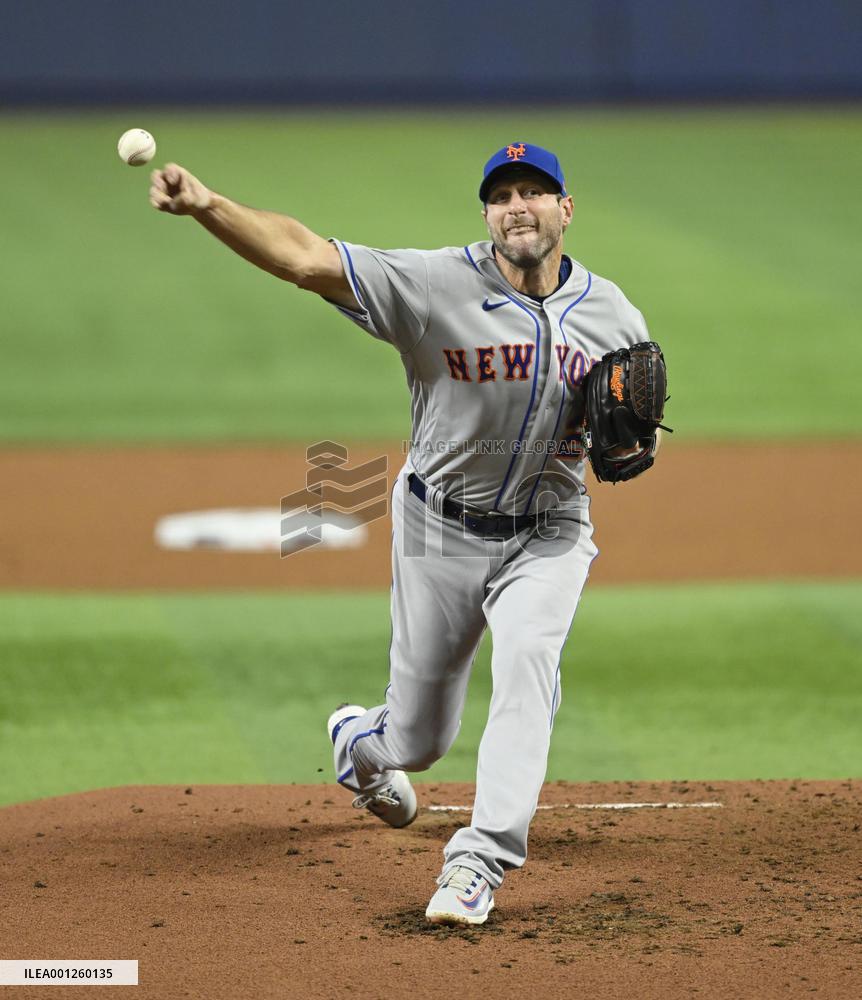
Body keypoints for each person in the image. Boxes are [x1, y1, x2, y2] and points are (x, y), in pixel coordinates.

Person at [149, 142, 653, 926]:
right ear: (487, 215)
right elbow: (306, 259)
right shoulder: (432, 285)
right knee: (418, 739)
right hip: (437, 531)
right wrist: (209, 205)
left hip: (549, 531)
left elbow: (627, 431)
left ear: (566, 209)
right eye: (502, 195)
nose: (519, 206)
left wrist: (631, 445)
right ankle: (361, 745)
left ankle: (477, 860)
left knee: (529, 659)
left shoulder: (614, 314)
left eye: (535, 191)